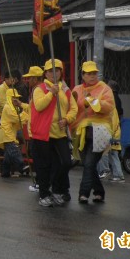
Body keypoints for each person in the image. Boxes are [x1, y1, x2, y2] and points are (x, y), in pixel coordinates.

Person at [31, 59, 77, 207]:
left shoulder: (66, 90)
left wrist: (67, 119)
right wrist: (51, 93)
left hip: (60, 133)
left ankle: (57, 190)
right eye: (51, 71)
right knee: (44, 166)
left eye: (57, 70)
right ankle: (44, 194)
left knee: (65, 162)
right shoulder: (40, 89)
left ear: (61, 72)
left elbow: (73, 108)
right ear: (45, 73)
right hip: (43, 134)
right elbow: (39, 106)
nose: (54, 73)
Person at [71, 61, 114, 205]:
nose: (92, 76)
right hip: (80, 133)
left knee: (89, 163)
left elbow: (109, 107)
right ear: (82, 75)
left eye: (94, 73)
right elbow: (71, 107)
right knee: (88, 164)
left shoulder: (104, 88)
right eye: (89, 73)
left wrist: (93, 102)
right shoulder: (76, 89)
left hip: (99, 132)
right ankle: (99, 192)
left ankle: (83, 193)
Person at [0, 88, 30, 178]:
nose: (16, 99)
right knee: (14, 150)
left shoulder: (13, 108)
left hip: (10, 133)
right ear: (9, 98)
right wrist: (26, 115)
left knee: (8, 155)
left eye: (17, 97)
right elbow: (16, 118)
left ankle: (5, 171)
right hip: (7, 134)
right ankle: (21, 166)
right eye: (13, 97)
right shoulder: (8, 108)